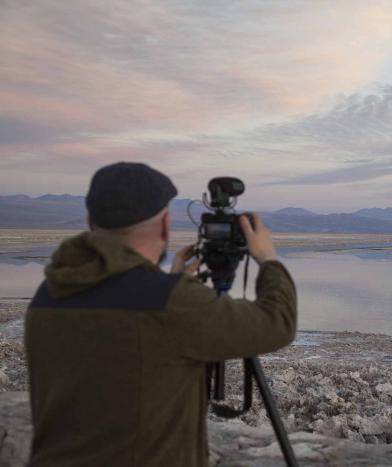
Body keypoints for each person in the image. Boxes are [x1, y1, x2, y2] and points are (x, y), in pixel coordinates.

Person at [24, 162, 297, 467]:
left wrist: (168, 285)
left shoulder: (47, 295)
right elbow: (277, 322)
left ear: (90, 221)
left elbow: (113, 349)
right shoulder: (171, 304)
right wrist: (269, 259)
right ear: (166, 225)